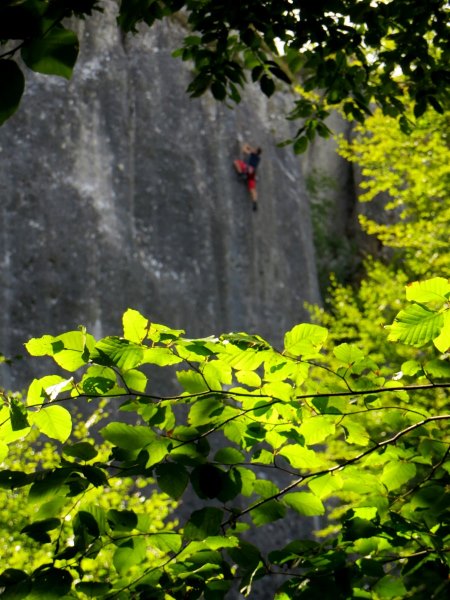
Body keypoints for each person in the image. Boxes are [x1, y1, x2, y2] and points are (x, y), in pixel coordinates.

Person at [233, 143, 262, 210]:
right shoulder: (258, 158)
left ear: (256, 151)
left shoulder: (252, 154)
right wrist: (252, 150)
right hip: (252, 173)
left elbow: (244, 148)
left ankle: (241, 174)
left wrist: (250, 148)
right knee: (252, 189)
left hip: (247, 168)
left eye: (255, 149)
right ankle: (255, 202)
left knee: (236, 162)